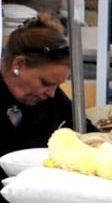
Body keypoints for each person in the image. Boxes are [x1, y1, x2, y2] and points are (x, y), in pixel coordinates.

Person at [0, 20, 73, 155]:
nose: (51, 94)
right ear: (19, 64)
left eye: (57, 85)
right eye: (45, 83)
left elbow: (88, 134)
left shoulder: (54, 100)